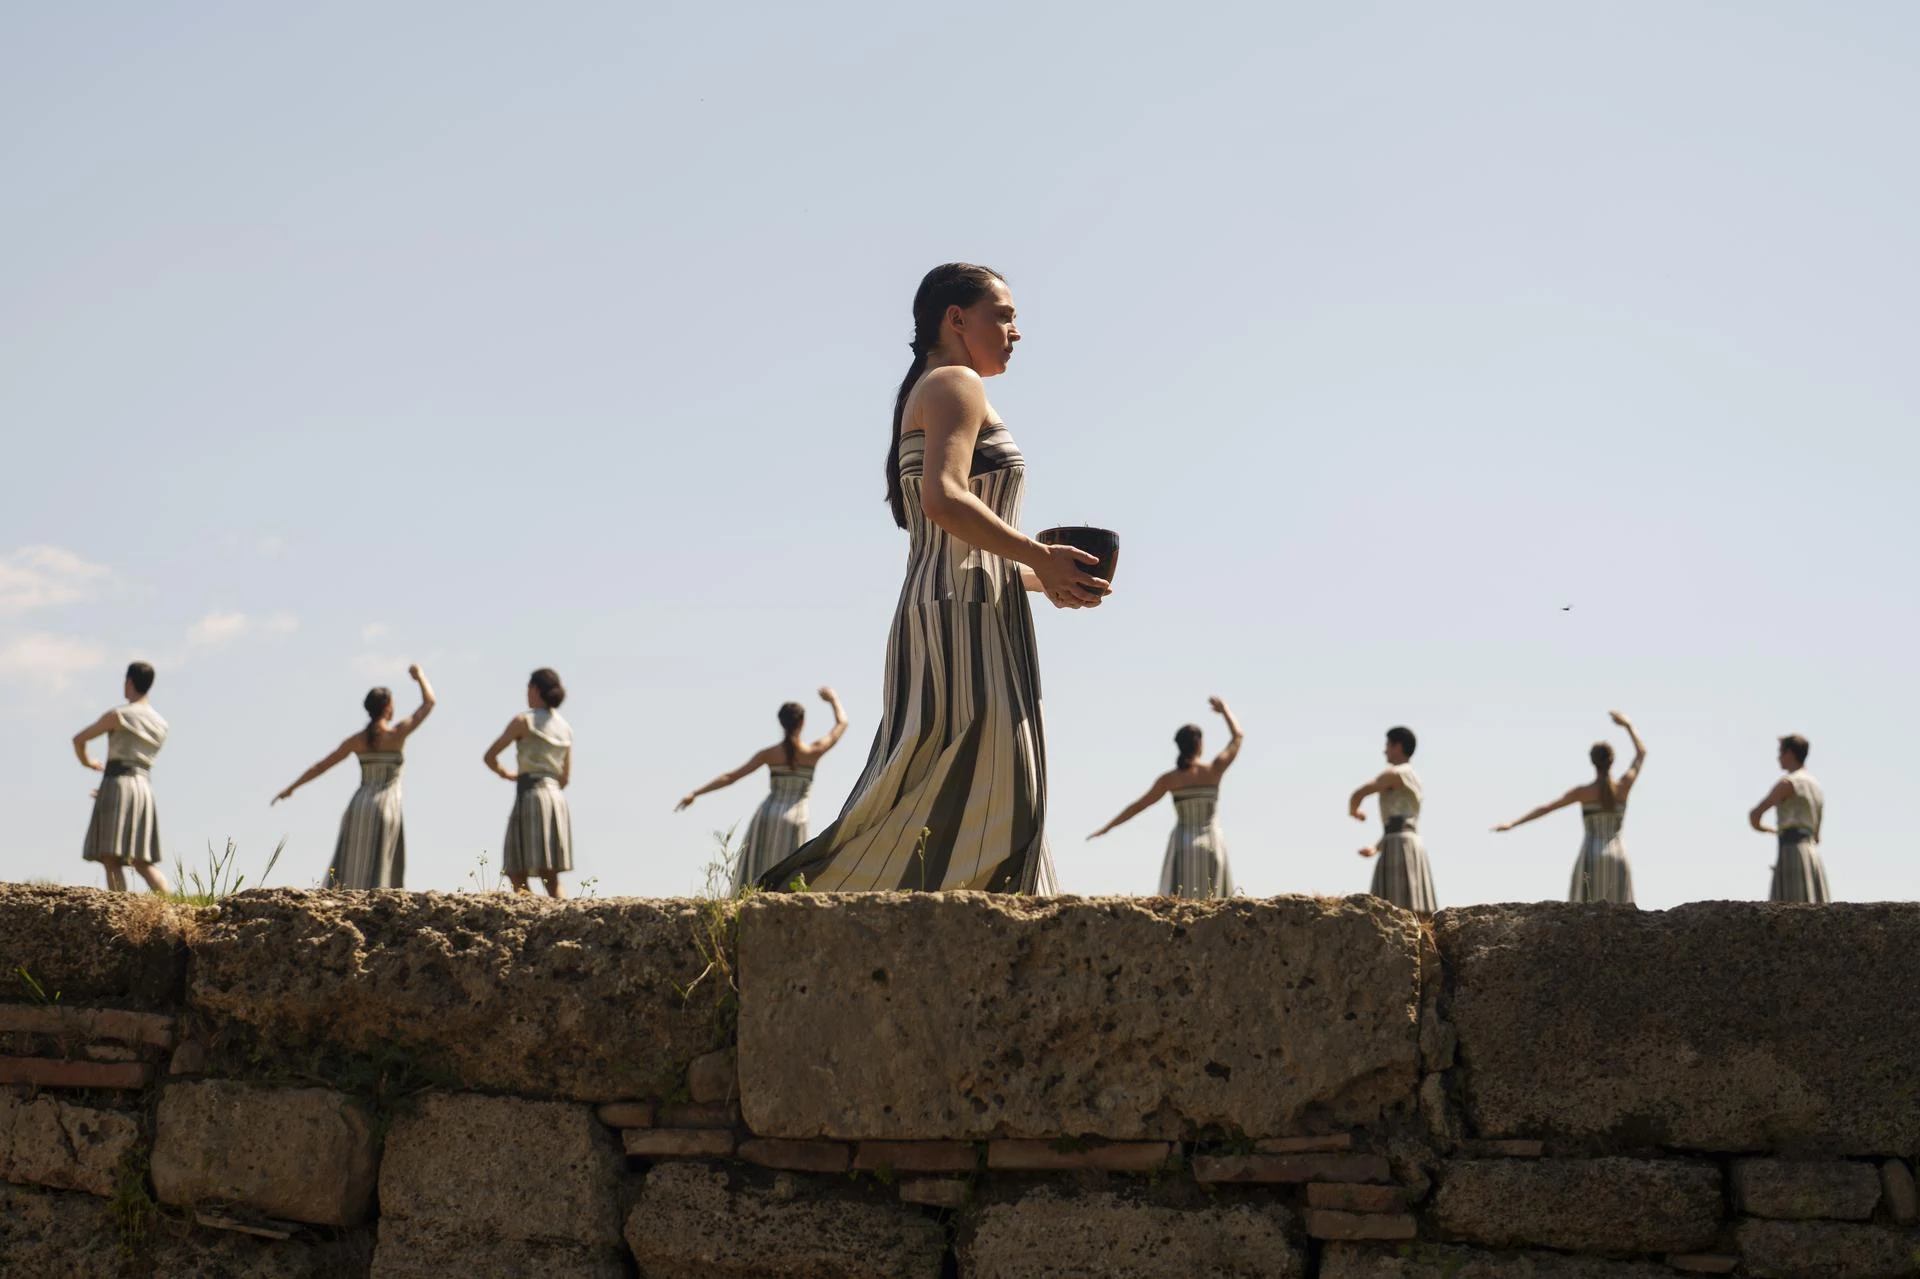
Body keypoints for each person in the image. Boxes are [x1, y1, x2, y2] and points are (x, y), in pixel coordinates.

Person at [759, 264, 1106, 893]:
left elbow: (946, 538)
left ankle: (822, 908)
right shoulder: (955, 382)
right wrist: (1037, 553)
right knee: (1002, 788)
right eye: (1002, 315)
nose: (1015, 331)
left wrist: (1040, 577)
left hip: (951, 605)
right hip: (963, 617)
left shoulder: (933, 386)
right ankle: (805, 903)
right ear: (955, 319)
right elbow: (945, 500)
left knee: (933, 785)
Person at [273, 664, 435, 889]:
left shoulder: (356, 740)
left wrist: (291, 788)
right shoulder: (397, 734)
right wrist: (420, 677)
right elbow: (429, 703)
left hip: (358, 805)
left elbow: (321, 766)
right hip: (385, 805)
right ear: (388, 707)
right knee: (381, 870)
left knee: (349, 867)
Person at [677, 688, 849, 892]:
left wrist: (695, 793)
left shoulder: (769, 754)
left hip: (767, 816)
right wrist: (833, 700)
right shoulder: (813, 751)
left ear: (781, 723)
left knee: (757, 872)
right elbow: (842, 724)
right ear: (802, 723)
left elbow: (731, 777)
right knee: (791, 874)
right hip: (797, 817)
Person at [1087, 697, 1242, 899]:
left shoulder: (1169, 780)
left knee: (1182, 908)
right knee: (1214, 906)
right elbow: (1238, 736)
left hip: (1182, 846)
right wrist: (1225, 711)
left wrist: (1107, 827)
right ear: (1199, 744)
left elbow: (1137, 806)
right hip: (1212, 845)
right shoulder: (1214, 770)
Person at [1493, 710, 1646, 904]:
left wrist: (1513, 823)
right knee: (1622, 918)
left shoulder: (1583, 792)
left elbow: (1546, 808)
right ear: (1612, 761)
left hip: (1590, 856)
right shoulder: (1623, 787)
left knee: (1584, 915)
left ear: (1592, 762)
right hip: (1618, 857)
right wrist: (1628, 725)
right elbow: (1641, 754)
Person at [72, 661, 172, 894]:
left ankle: (120, 908)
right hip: (144, 786)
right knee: (142, 861)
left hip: (118, 782)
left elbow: (79, 740)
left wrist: (88, 763)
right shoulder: (161, 723)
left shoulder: (119, 715)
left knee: (111, 857)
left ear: (129, 681)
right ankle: (169, 905)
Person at [483, 668, 574, 898]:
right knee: (551, 876)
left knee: (516, 870)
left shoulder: (524, 721)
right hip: (556, 798)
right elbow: (565, 778)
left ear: (535, 689)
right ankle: (563, 917)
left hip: (530, 794)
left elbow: (490, 756)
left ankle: (532, 919)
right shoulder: (565, 728)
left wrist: (505, 773)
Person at [1349, 726, 1437, 913]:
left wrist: (1354, 811)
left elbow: (1359, 793)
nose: (1384, 750)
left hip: (1399, 844)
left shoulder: (1395, 773)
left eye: (1387, 745)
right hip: (1407, 841)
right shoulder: (1414, 776)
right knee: (1413, 909)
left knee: (1393, 908)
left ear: (1398, 746)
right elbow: (1400, 823)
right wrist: (1375, 848)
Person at [1750, 733, 1827, 902]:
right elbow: (1817, 836)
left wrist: (1768, 830)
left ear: (1790, 753)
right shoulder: (1816, 787)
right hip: (1812, 854)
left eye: (1781, 752)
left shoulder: (1788, 783)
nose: (1778, 757)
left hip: (1792, 851)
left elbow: (1755, 815)